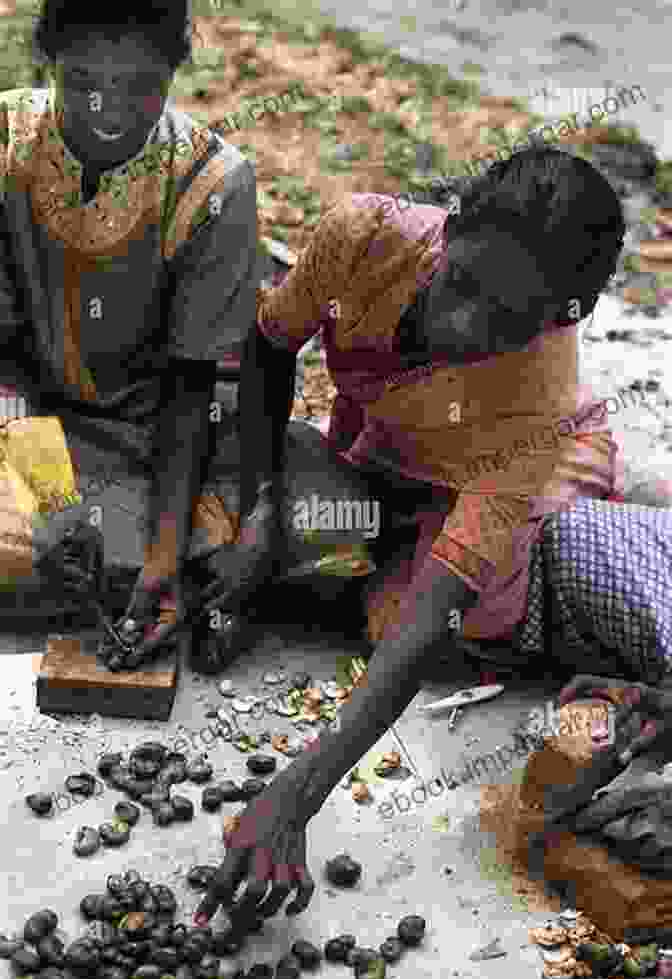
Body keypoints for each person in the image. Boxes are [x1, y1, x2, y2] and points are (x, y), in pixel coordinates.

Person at [192, 145, 672, 928]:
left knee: (436, 622)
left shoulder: (539, 395)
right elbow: (270, 352)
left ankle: (603, 509)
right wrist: (261, 514)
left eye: (509, 321)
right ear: (449, 231)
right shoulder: (363, 235)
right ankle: (360, 530)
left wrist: (295, 795)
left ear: (562, 316)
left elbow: (430, 618)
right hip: (389, 458)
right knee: (234, 466)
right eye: (465, 285)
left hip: (503, 477)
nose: (465, 325)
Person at [0, 0, 270, 664]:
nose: (107, 114)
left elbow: (192, 386)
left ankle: (145, 572)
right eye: (83, 83)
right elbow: (4, 358)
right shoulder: (7, 143)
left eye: (141, 88)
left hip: (159, 438)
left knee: (288, 531)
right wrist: (51, 496)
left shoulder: (214, 183)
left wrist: (163, 552)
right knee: (53, 543)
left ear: (176, 71)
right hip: (24, 420)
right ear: (49, 60)